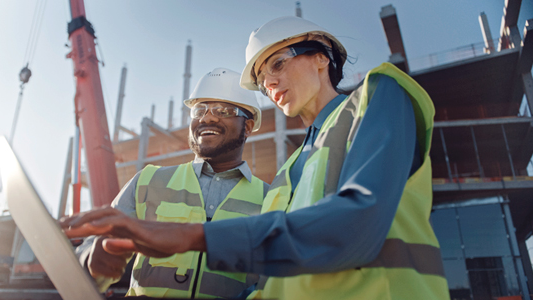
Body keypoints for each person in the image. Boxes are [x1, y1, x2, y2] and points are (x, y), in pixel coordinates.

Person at [62, 16, 450, 300]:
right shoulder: (287, 175)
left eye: (278, 63)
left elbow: (356, 226)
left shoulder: (377, 97)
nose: (271, 83)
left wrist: (191, 235)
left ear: (320, 55)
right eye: (263, 79)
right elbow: (270, 282)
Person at [74, 67, 269, 299]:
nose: (207, 117)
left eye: (223, 110)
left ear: (247, 127)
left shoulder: (272, 198)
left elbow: (275, 284)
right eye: (199, 110)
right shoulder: (149, 181)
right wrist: (92, 261)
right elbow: (94, 247)